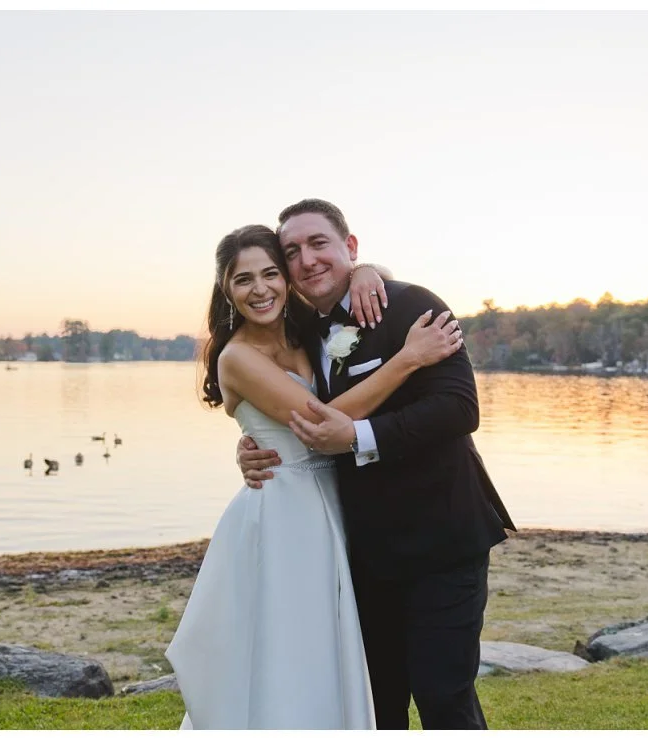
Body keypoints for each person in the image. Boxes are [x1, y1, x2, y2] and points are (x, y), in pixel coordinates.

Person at [165, 223, 463, 730]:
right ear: (226, 291)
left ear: (287, 279)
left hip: (337, 509)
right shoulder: (236, 356)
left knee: (332, 650)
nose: (259, 289)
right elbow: (319, 424)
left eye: (270, 274)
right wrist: (408, 359)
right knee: (290, 653)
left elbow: (347, 289)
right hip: (283, 517)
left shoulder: (307, 329)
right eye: (242, 280)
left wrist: (368, 270)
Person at [238, 199, 515, 730]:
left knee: (443, 695)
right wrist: (254, 443)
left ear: (351, 246)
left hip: (442, 540)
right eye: (291, 251)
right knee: (374, 704)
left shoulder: (412, 305)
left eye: (319, 242)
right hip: (359, 553)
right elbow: (283, 408)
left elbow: (460, 408)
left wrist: (359, 435)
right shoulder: (298, 332)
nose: (307, 259)